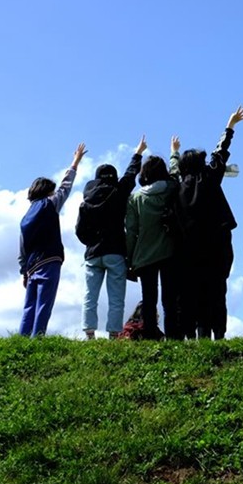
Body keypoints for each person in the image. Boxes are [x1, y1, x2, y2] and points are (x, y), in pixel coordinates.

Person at [170, 106, 243, 339]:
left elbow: (174, 170)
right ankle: (218, 333)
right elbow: (220, 153)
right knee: (216, 291)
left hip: (188, 250)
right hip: (216, 246)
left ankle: (194, 334)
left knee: (191, 292)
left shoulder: (176, 188)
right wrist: (229, 127)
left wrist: (174, 152)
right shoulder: (210, 178)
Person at [77, 136, 146, 340]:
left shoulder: (86, 201)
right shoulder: (118, 192)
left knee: (90, 295)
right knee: (116, 297)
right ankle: (114, 334)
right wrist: (138, 153)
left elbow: (79, 230)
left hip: (93, 253)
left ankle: (89, 333)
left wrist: (91, 242)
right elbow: (130, 174)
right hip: (115, 251)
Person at [18, 143, 86, 337]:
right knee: (44, 304)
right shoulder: (50, 204)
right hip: (49, 261)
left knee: (29, 306)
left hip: (32, 266)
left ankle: (22, 339)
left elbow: (22, 248)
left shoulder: (26, 216)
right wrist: (75, 162)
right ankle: (38, 338)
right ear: (48, 191)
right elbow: (66, 186)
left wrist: (24, 271)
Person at [126, 148, 181, 340]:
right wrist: (174, 154)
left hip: (144, 253)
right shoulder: (172, 188)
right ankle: (174, 337)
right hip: (170, 251)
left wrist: (129, 258)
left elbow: (131, 231)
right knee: (170, 298)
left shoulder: (135, 198)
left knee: (149, 298)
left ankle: (149, 334)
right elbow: (176, 172)